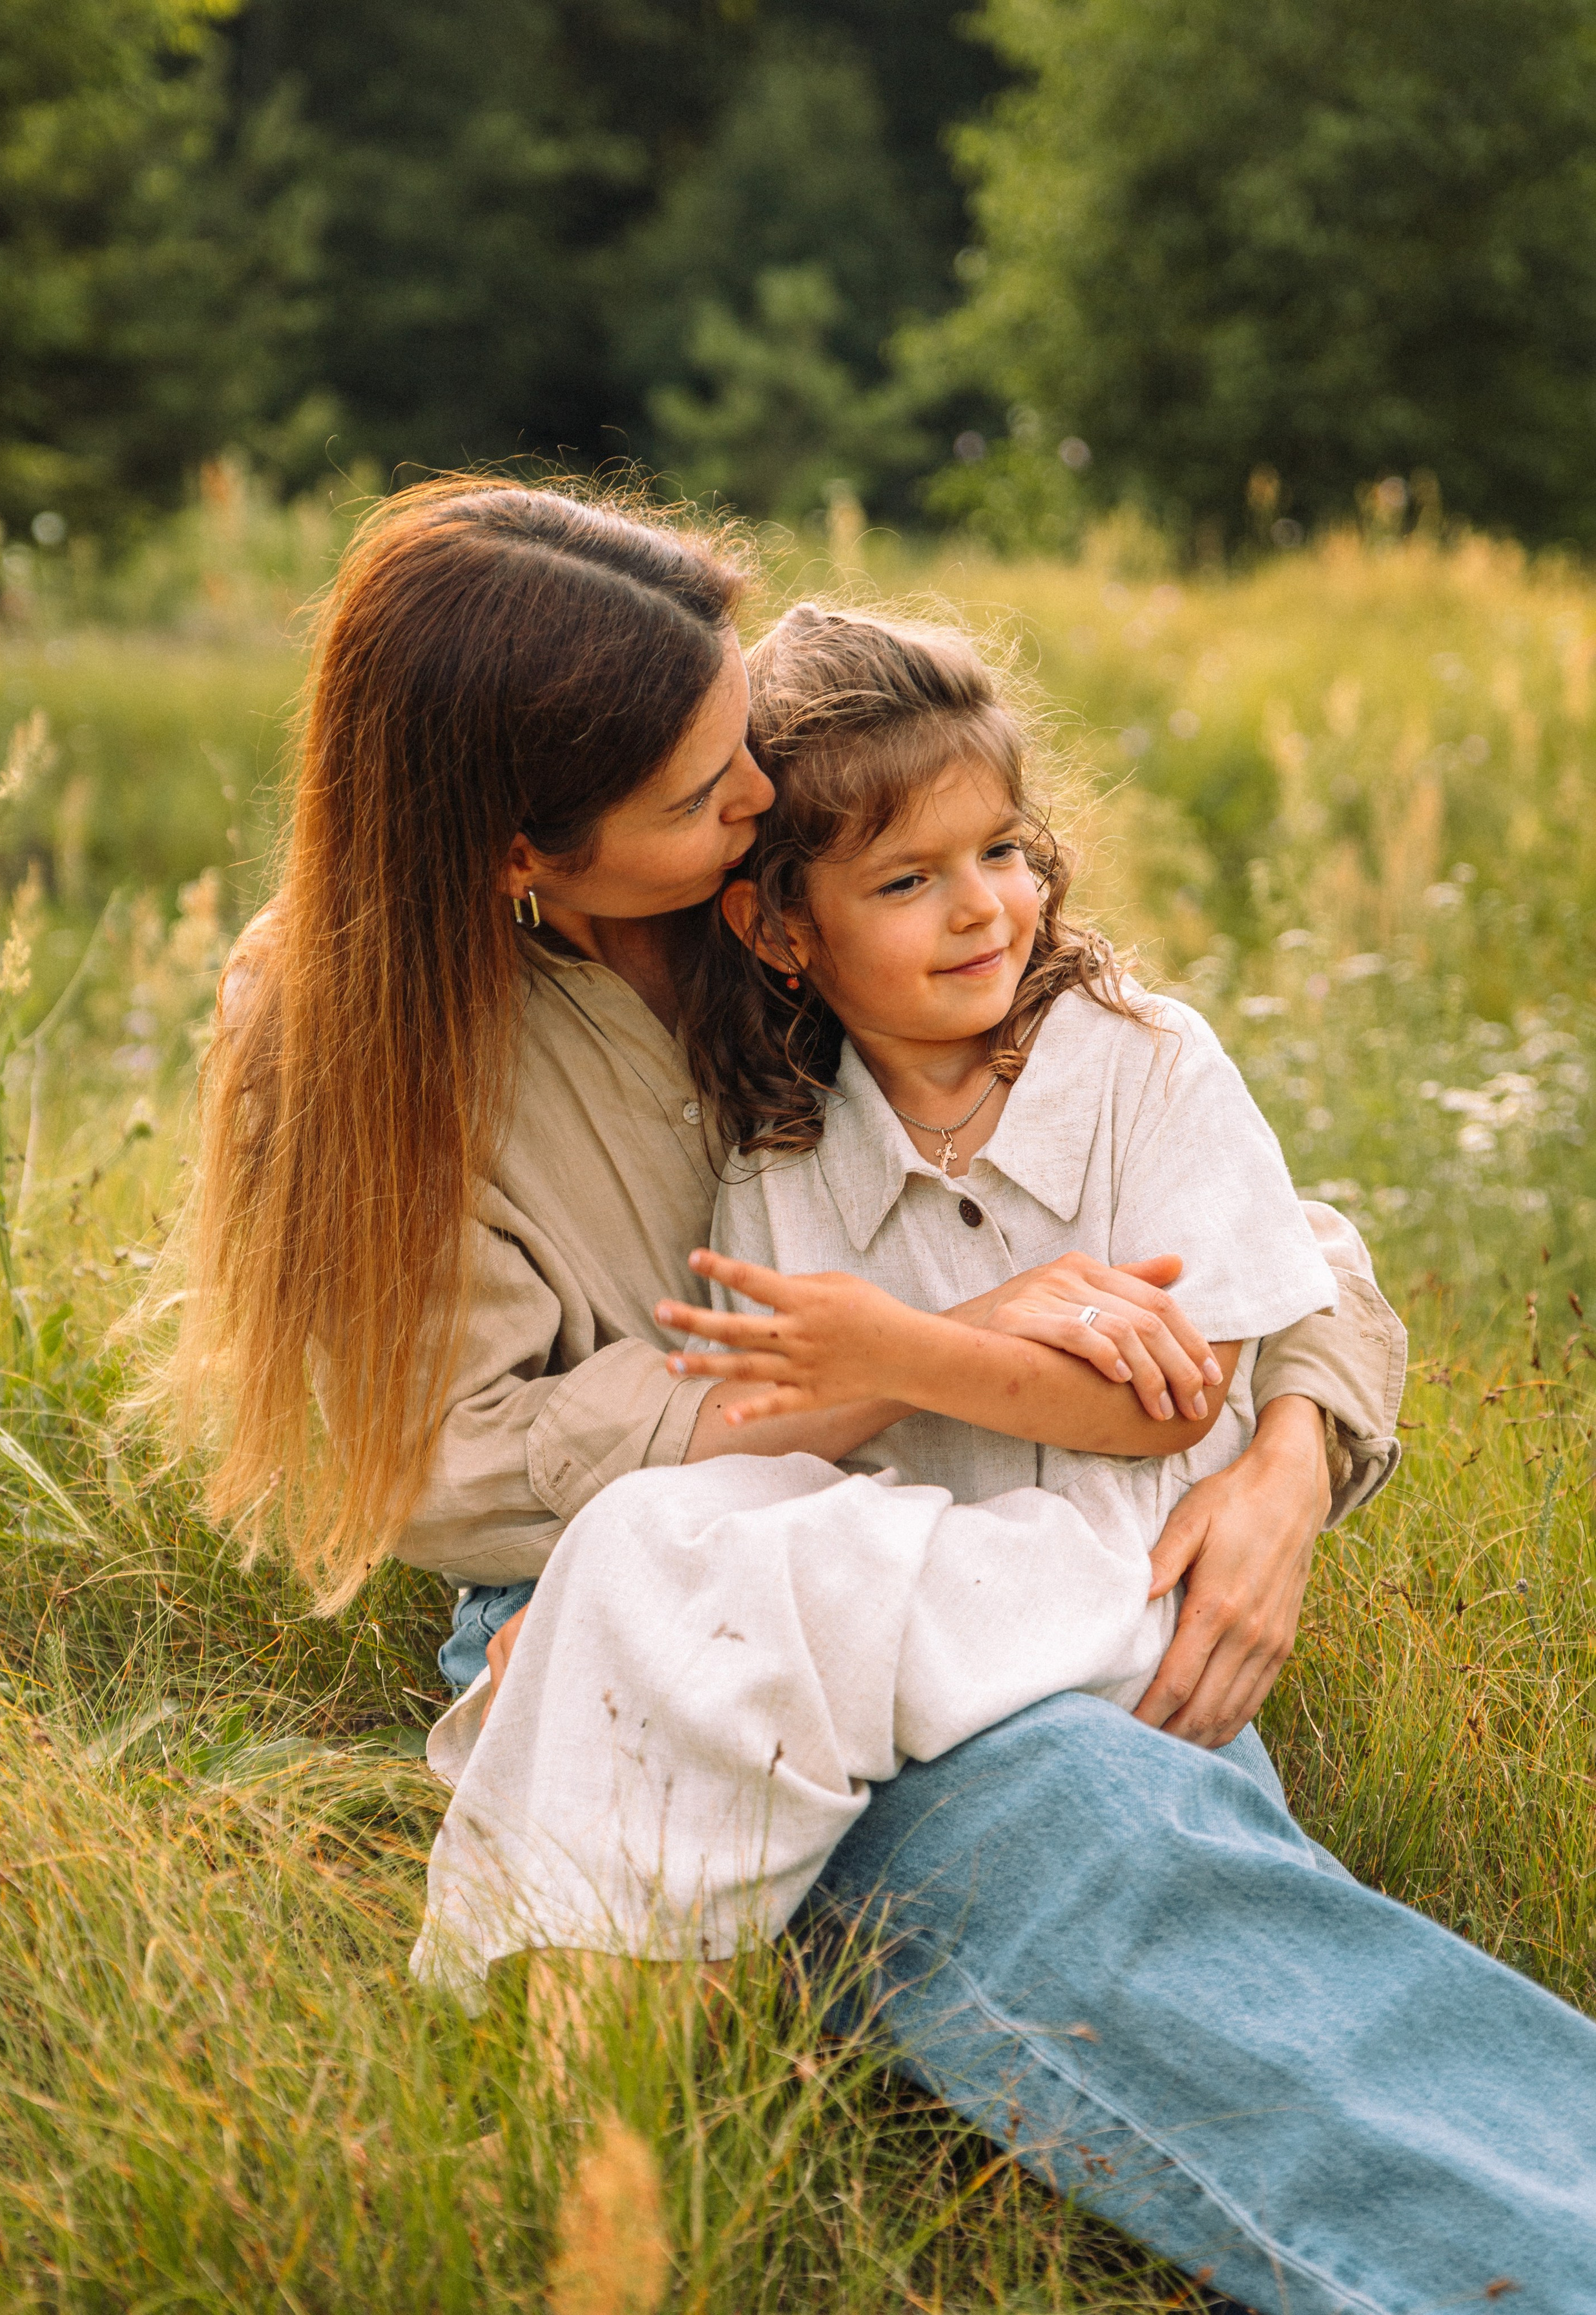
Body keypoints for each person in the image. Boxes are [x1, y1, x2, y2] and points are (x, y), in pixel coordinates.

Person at [178, 481, 1596, 2314]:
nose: (751, 797)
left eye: (739, 750)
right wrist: (890, 1369)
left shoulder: (817, 874)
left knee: (1150, 1815)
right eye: (703, 794)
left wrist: (1292, 1465)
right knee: (1087, 1836)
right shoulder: (353, 1028)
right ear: (519, 850)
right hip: (631, 1592)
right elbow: (446, 1473)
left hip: (954, 1532)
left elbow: (1236, 1212)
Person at [410, 604, 1348, 1977]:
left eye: (1002, 852)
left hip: (1119, 1606)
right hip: (930, 1612)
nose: (980, 906)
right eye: (906, 883)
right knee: (675, 1595)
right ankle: (589, 2019)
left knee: (1194, 1906)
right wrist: (606, 1590)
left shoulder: (1139, 1067)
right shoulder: (784, 1157)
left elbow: (1164, 1403)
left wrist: (897, 1353)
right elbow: (780, 1468)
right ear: (779, 930)